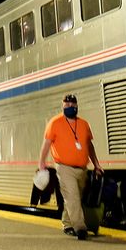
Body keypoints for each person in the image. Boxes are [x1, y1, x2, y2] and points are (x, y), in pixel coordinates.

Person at [36, 94, 103, 240]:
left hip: (82, 168)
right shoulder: (55, 123)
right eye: (67, 106)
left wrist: (96, 164)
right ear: (62, 107)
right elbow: (46, 144)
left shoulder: (84, 124)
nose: (70, 107)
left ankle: (67, 224)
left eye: (73, 105)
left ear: (77, 106)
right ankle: (80, 228)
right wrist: (42, 163)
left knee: (74, 198)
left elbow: (89, 146)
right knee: (72, 196)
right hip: (64, 167)